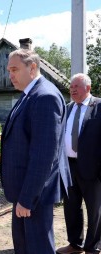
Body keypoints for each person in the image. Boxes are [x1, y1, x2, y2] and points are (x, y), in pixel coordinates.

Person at [0, 49, 72, 254]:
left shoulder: (45, 97)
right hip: (25, 192)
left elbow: (43, 155)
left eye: (14, 69)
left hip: (33, 196)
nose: (10, 75)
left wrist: (27, 198)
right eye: (8, 70)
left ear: (32, 67)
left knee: (38, 248)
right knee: (24, 247)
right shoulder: (29, 94)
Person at [56, 73, 101, 254]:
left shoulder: (99, 106)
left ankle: (93, 247)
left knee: (95, 209)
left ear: (88, 88)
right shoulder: (68, 108)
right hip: (69, 166)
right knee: (71, 207)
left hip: (93, 168)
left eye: (76, 86)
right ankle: (75, 244)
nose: (72, 90)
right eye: (71, 87)